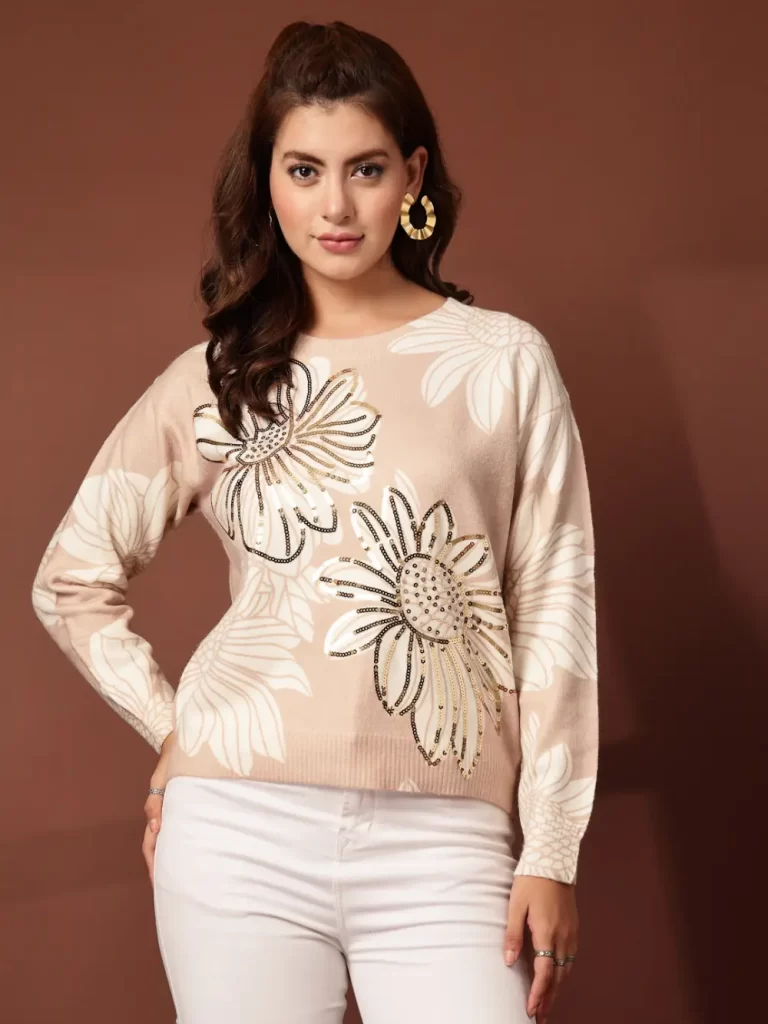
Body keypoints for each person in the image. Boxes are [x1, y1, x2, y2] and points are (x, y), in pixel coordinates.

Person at [32, 19, 598, 1024]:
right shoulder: (217, 378)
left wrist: (551, 848)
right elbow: (71, 576)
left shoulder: (503, 362)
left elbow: (555, 601)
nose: (335, 206)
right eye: (304, 170)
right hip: (235, 829)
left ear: (412, 176)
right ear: (268, 182)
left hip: (444, 840)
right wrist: (177, 729)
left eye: (365, 169)